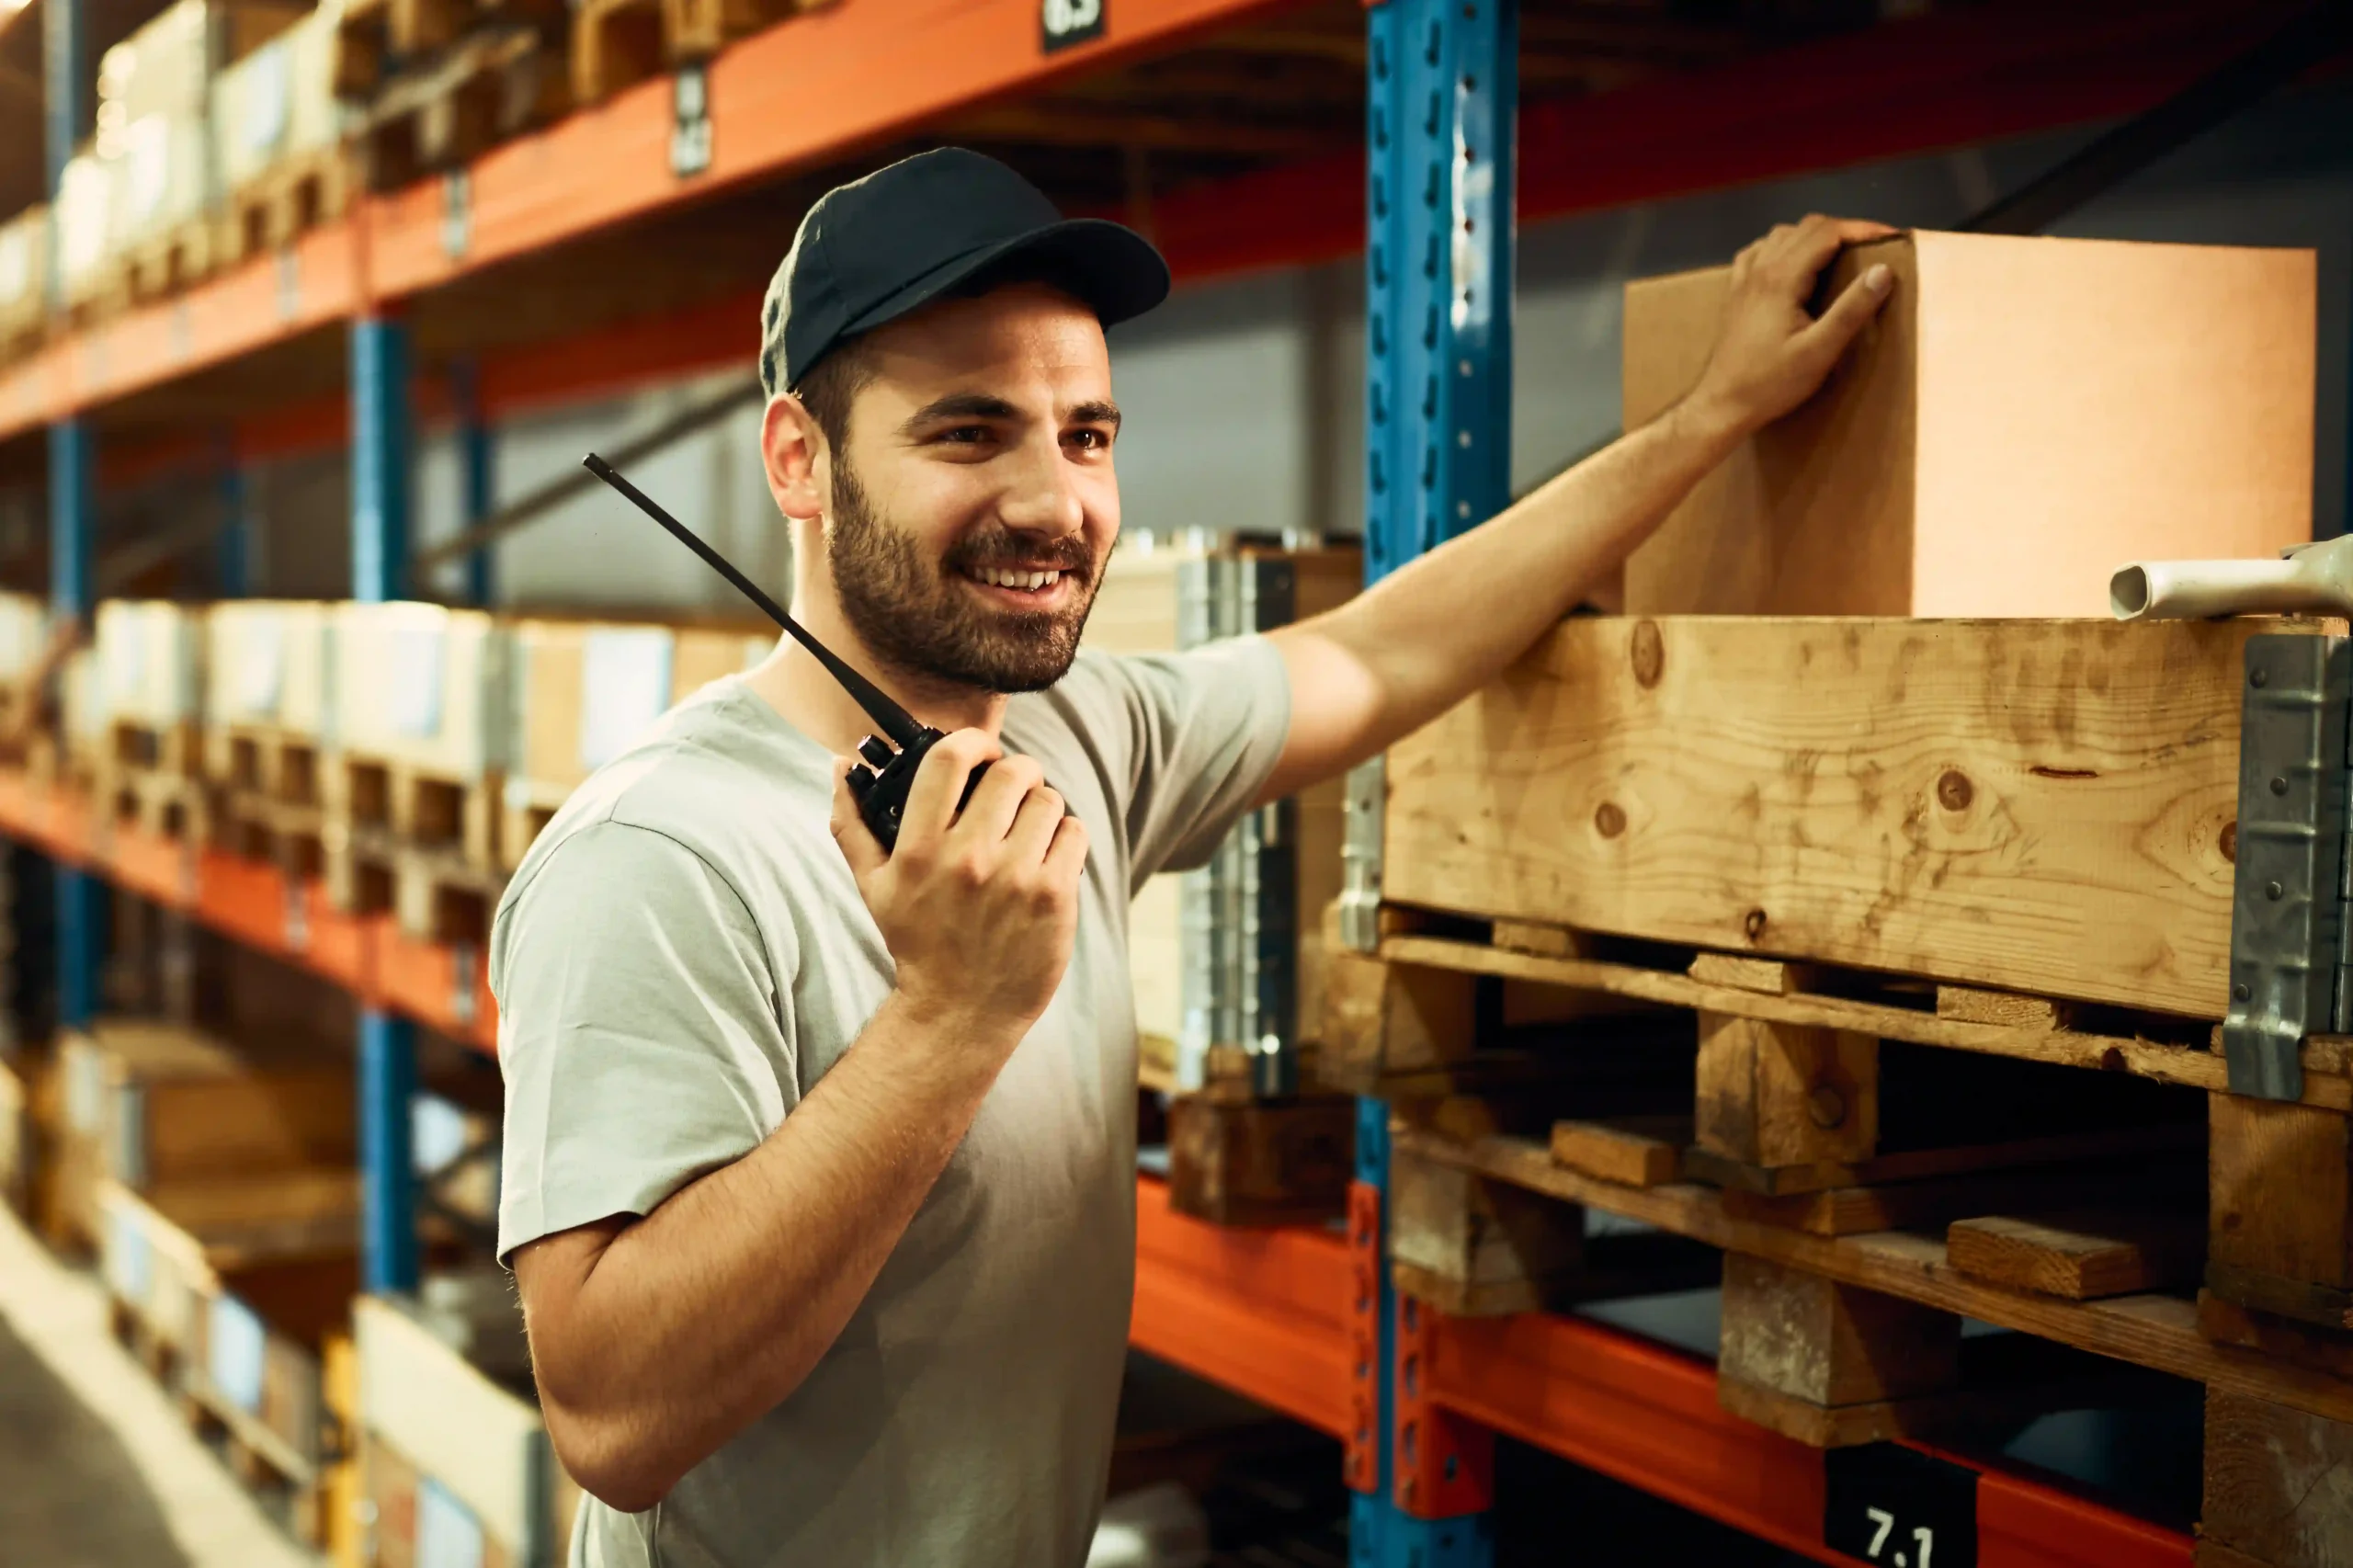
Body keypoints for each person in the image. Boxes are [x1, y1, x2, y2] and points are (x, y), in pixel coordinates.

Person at [493, 146, 1894, 1568]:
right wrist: (949, 1017)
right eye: (970, 434)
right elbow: (616, 1413)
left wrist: (1714, 413)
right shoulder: (660, 855)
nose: (1056, 504)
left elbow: (1384, 646)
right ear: (800, 458)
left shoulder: (1078, 736)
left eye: (1087, 434)